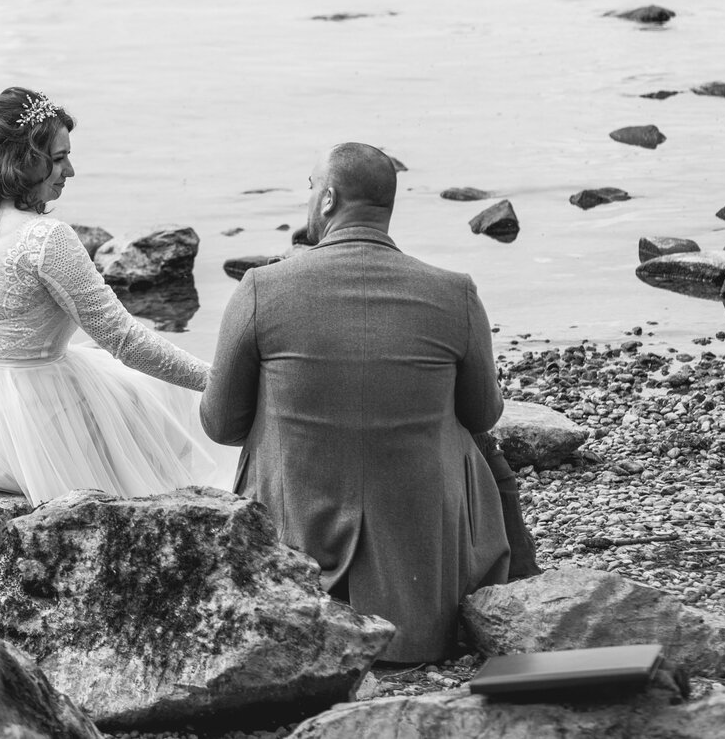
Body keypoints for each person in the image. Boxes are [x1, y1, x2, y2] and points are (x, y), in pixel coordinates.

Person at [200, 141, 511, 663]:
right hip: (423, 608)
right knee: (465, 430)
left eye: (309, 188)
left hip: (296, 586)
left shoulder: (261, 288)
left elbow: (219, 422)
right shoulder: (454, 292)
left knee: (266, 422)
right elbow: (484, 413)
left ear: (327, 201)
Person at [0, 86, 218, 500]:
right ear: (22, 161)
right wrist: (217, 380)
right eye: (58, 158)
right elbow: (123, 340)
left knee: (123, 384)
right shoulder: (45, 237)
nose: (70, 171)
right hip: (23, 433)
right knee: (162, 397)